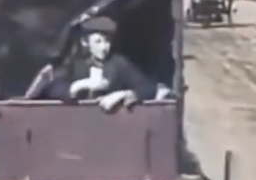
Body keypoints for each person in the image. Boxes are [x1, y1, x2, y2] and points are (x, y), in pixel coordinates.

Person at [30, 15, 170, 111]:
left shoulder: (118, 64)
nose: (104, 47)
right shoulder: (76, 64)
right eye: (98, 41)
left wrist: (124, 94)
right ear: (86, 43)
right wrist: (79, 86)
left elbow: (147, 87)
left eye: (107, 41)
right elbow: (53, 88)